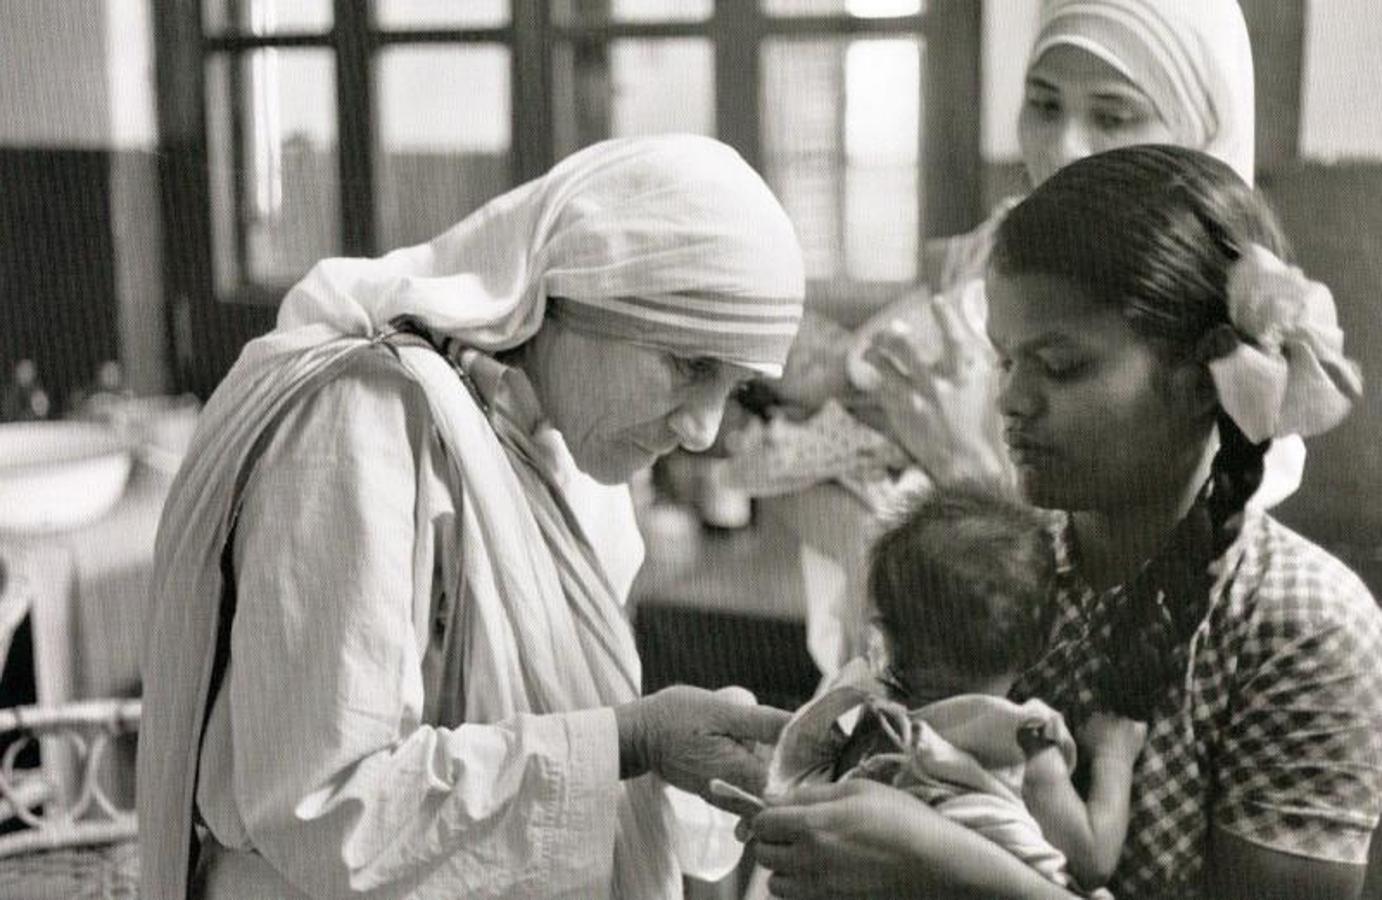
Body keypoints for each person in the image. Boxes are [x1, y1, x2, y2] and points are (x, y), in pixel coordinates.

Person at [136, 135, 805, 899]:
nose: (704, 431)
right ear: (574, 294)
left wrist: (679, 764)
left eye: (737, 387)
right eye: (690, 366)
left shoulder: (560, 449)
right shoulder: (360, 419)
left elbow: (522, 720)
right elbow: (325, 814)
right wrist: (634, 740)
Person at [748, 145, 1381, 899]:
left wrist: (943, 864)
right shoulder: (996, 568)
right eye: (1004, 360)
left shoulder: (1304, 626)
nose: (1011, 401)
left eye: (1060, 365)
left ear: (1202, 377)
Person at [742, 0, 1304, 681]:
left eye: (1113, 114)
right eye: (1043, 105)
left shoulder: (1235, 331)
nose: (1064, 146)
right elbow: (786, 464)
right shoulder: (995, 263)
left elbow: (1133, 610)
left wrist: (963, 478)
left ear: (1200, 129)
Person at [754, 482, 1146, 897]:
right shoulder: (1025, 736)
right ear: (1041, 646)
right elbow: (1092, 860)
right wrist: (1114, 756)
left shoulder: (874, 721)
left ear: (883, 635)